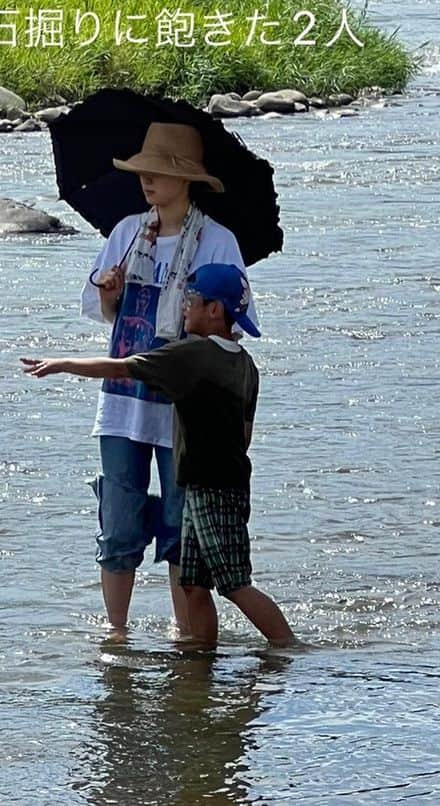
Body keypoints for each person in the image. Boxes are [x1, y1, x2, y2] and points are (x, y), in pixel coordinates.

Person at [25, 263, 293, 647]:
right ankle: (202, 656)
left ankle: (289, 648)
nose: (183, 308)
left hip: (209, 488)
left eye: (190, 301)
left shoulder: (192, 354)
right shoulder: (245, 364)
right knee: (193, 584)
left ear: (214, 310)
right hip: (225, 484)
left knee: (234, 584)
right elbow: (245, 435)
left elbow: (121, 368)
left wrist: (63, 365)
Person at [79, 122, 257, 638]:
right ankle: (117, 639)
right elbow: (104, 311)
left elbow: (235, 323)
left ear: (186, 179)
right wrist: (111, 289)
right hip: (122, 400)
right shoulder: (127, 232)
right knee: (118, 522)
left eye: (158, 173)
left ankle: (187, 641)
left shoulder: (217, 241)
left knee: (182, 528)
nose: (147, 182)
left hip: (184, 409)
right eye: (143, 173)